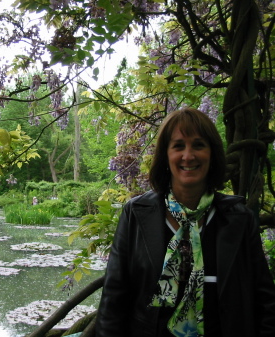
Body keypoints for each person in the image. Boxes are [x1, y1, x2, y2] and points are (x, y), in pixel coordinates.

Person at [95, 108, 275, 337]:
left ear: (212, 154)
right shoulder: (137, 214)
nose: (188, 156)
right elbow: (114, 299)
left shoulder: (238, 219)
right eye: (178, 146)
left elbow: (265, 301)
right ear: (165, 155)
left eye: (198, 145)